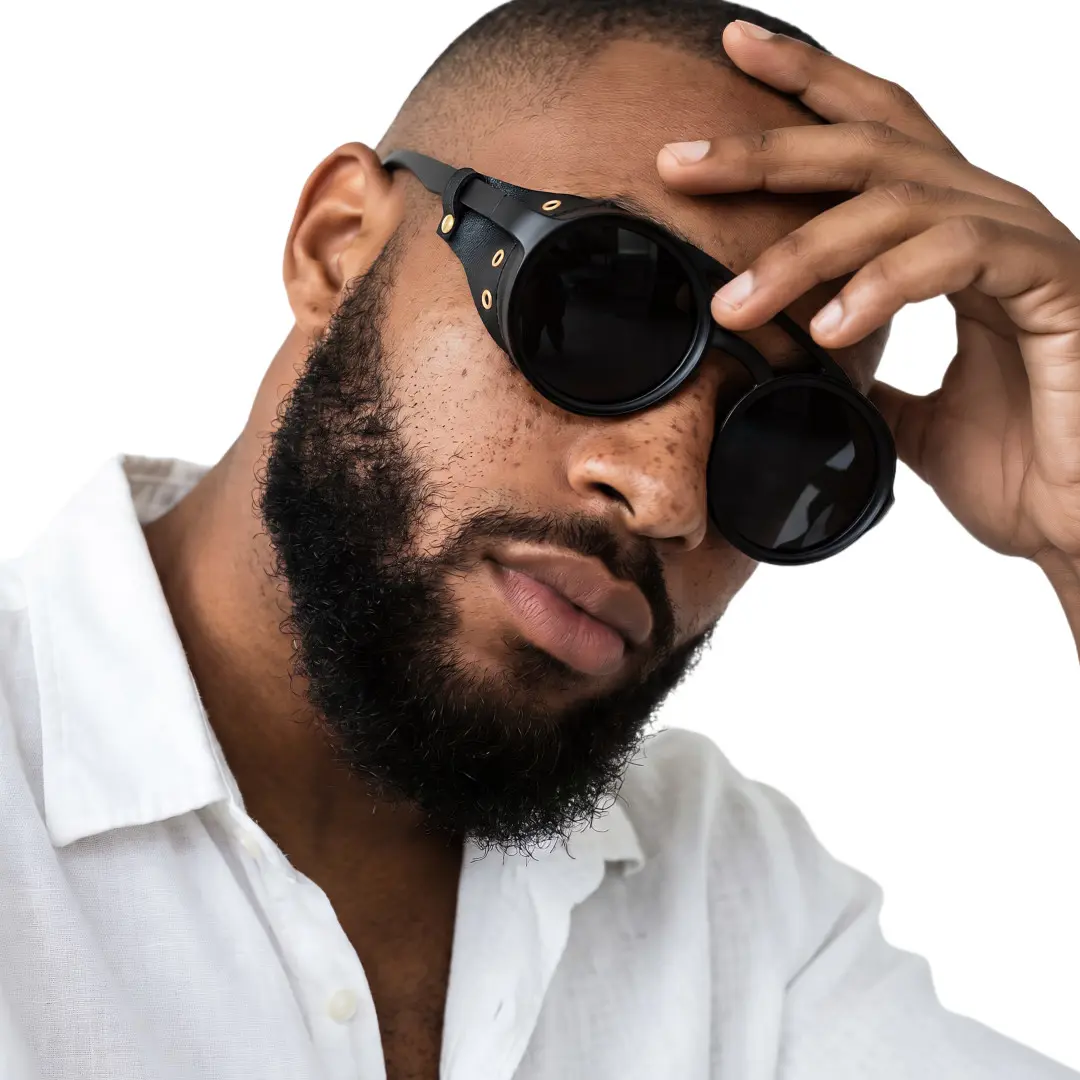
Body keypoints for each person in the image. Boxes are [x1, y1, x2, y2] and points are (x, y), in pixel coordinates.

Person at [1, 1, 1077, 1077]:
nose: (665, 494)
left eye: (789, 439)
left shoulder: (731, 900)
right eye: (599, 313)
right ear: (337, 249)